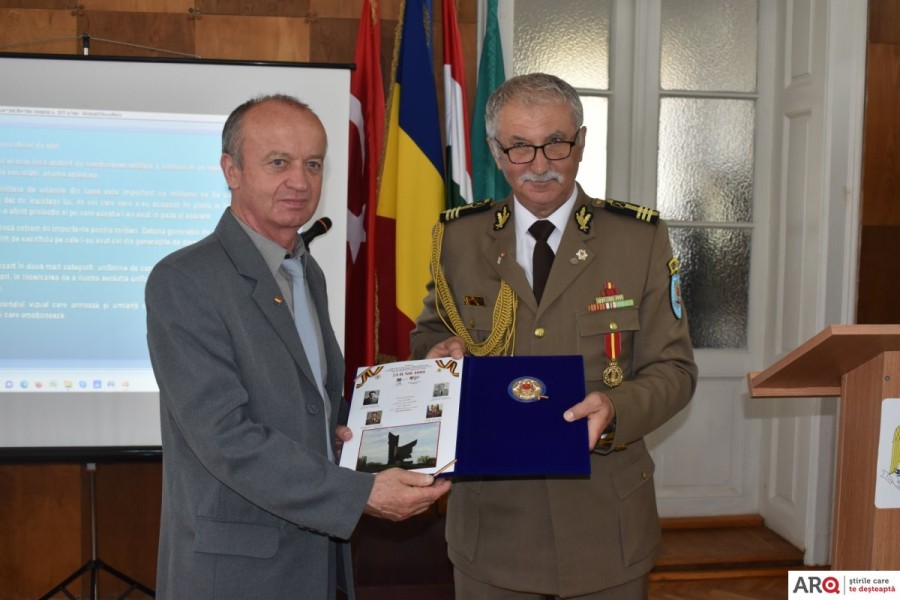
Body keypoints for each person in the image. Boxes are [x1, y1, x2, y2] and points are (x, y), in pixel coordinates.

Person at [146, 94, 450, 600]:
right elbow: (225, 438)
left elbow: (313, 406)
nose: (300, 181)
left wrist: (415, 397)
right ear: (231, 170)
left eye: (312, 164)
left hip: (315, 561)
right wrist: (360, 494)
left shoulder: (306, 272)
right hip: (234, 575)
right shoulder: (184, 280)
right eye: (278, 163)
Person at [410, 73, 697, 599]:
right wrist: (436, 353)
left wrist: (615, 410)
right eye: (520, 146)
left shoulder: (639, 240)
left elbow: (674, 371)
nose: (539, 164)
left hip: (605, 521)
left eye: (556, 143)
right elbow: (430, 332)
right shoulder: (459, 238)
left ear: (581, 142)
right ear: (495, 151)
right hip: (492, 527)